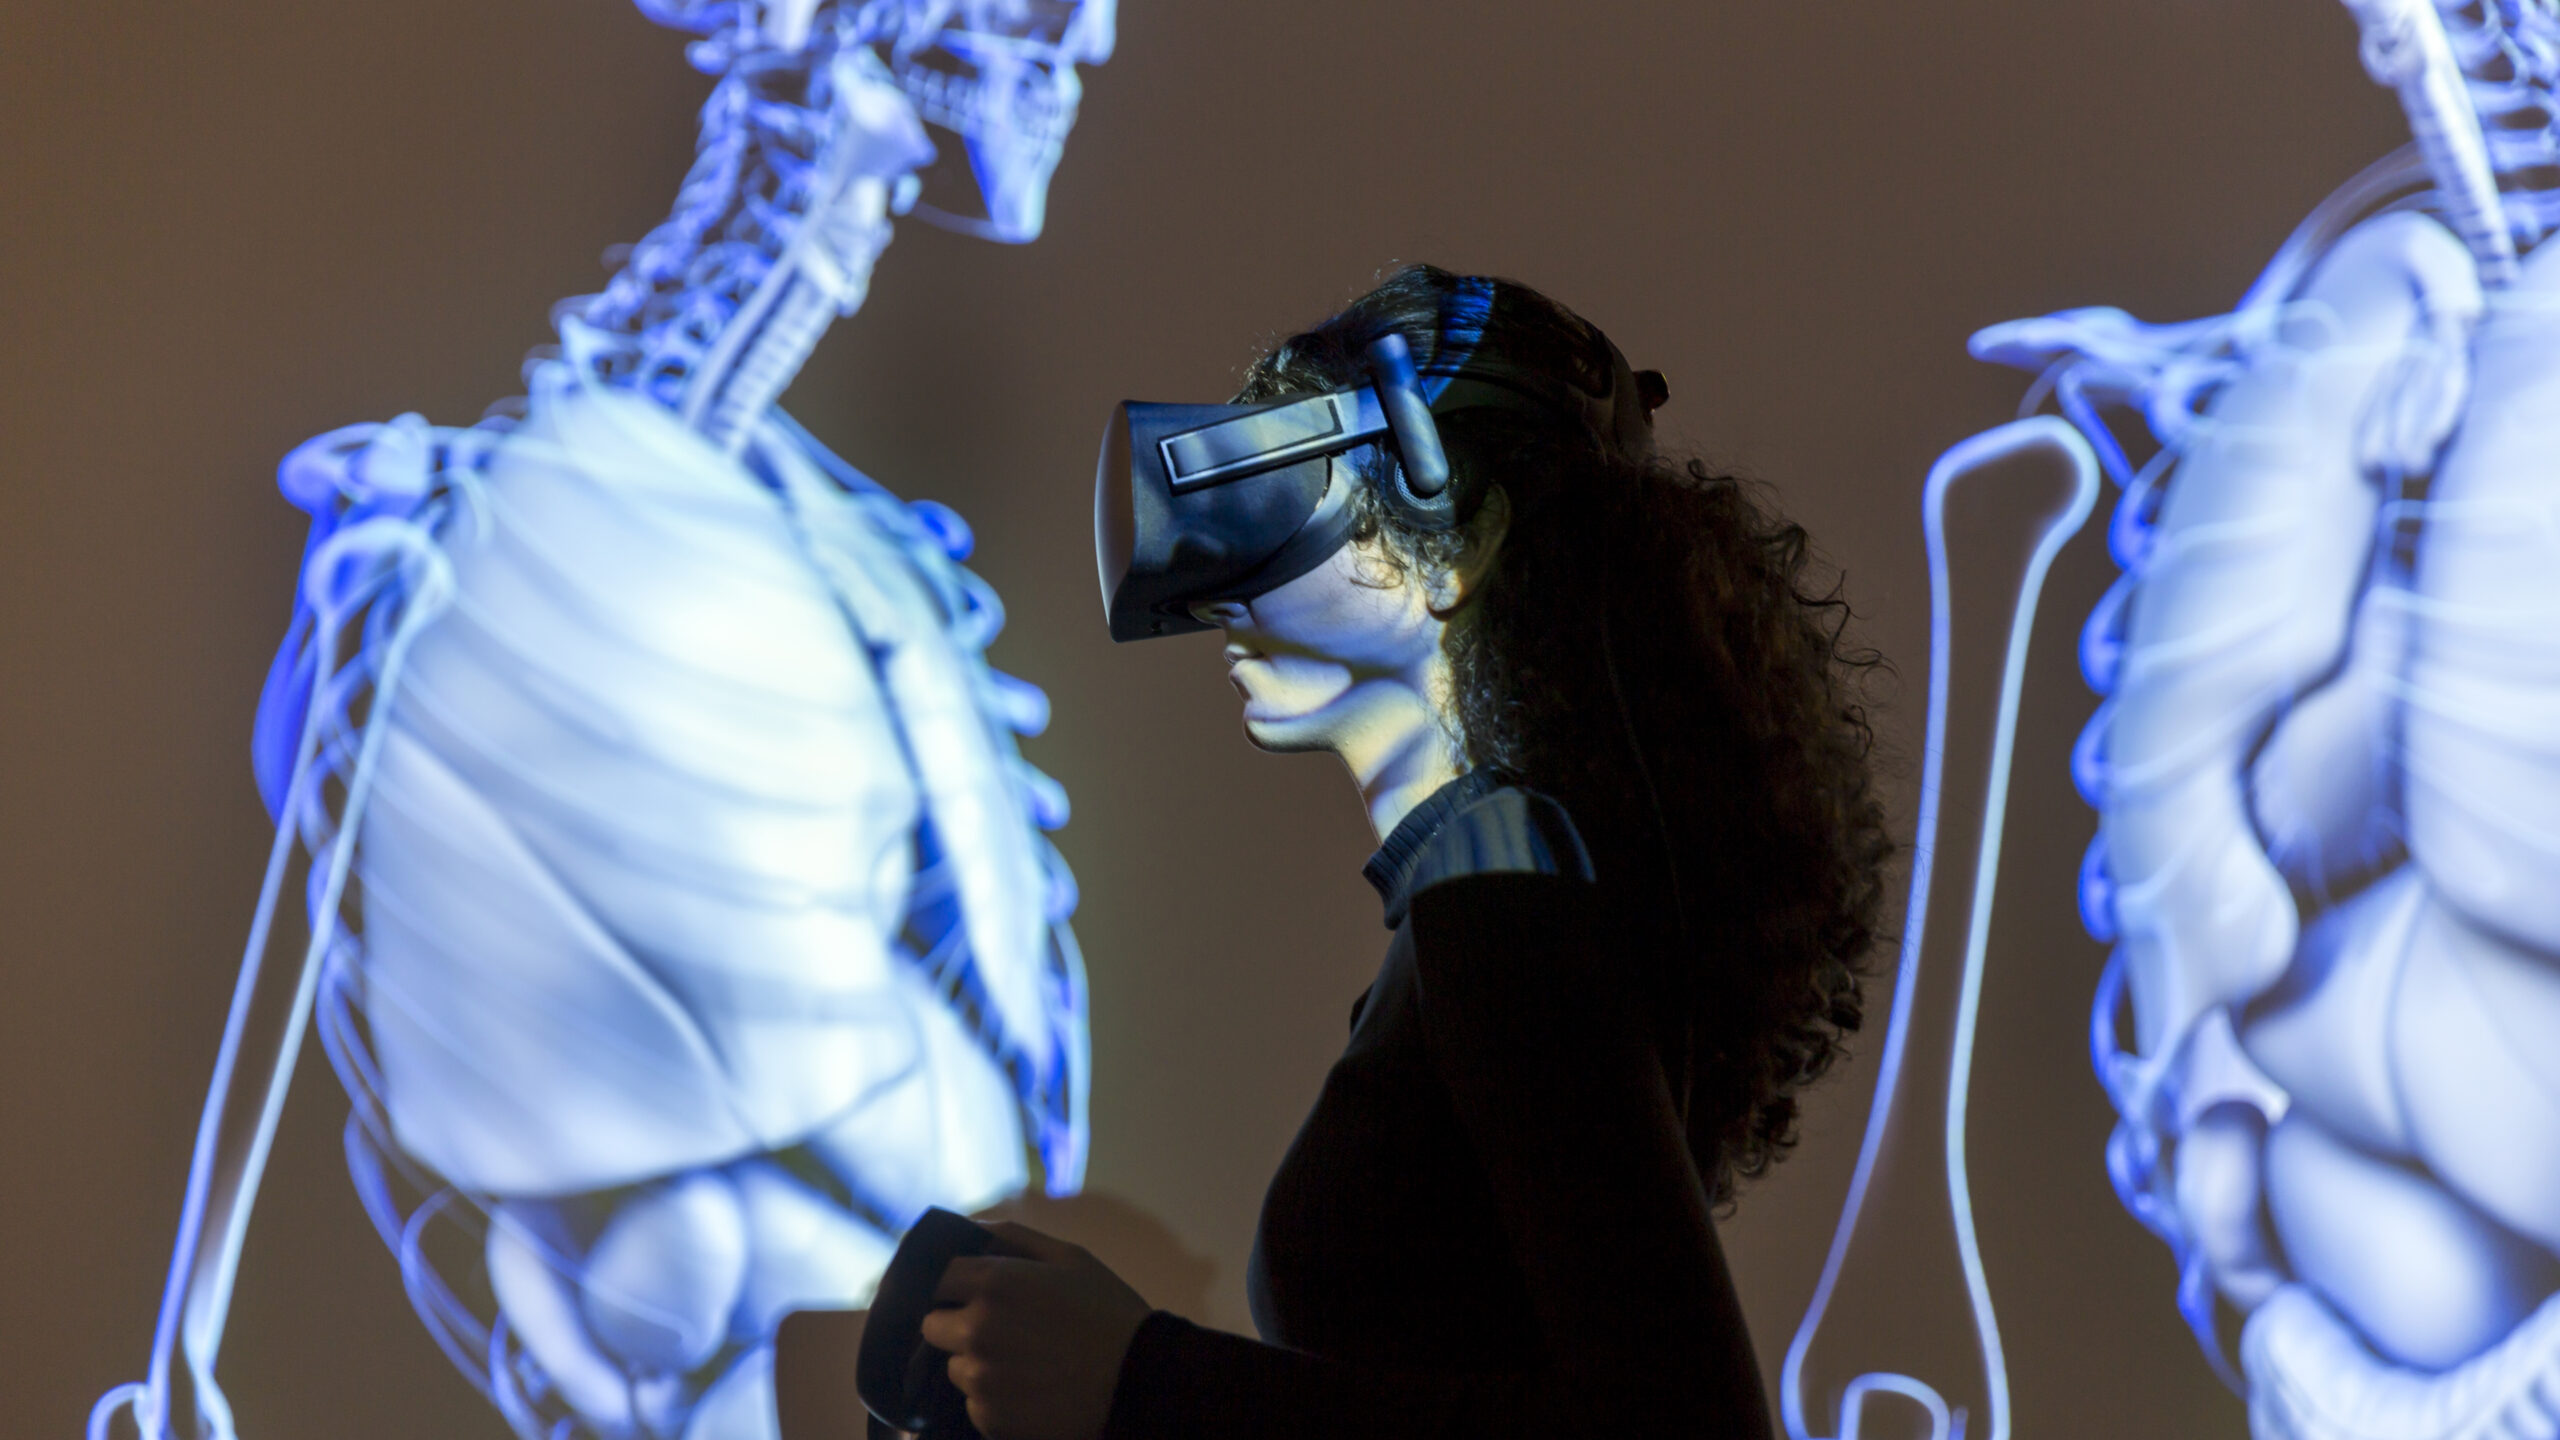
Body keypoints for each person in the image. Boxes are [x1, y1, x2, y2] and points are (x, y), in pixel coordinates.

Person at [918, 265, 1895, 1440]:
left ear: (1456, 539)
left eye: (1295, 486)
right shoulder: (1476, 905)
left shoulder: (1506, 899)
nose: (1224, 588)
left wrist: (1145, 1381)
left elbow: (1682, 1423)